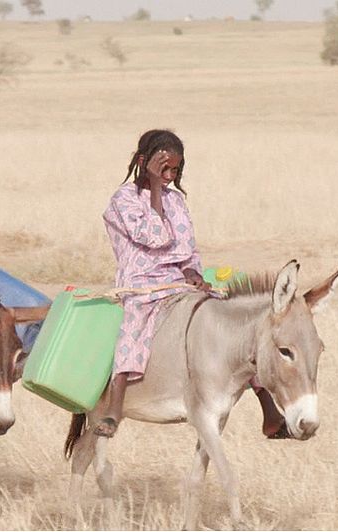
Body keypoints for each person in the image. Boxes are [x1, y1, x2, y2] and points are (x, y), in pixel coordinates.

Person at [95, 129, 288, 439]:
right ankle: (115, 406)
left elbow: (187, 246)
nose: (170, 176)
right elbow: (154, 236)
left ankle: (269, 409)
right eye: (164, 169)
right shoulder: (123, 200)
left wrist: (191, 271)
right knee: (133, 329)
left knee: (234, 326)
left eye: (175, 169)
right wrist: (155, 187)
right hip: (141, 286)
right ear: (144, 163)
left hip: (177, 283)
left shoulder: (177, 201)